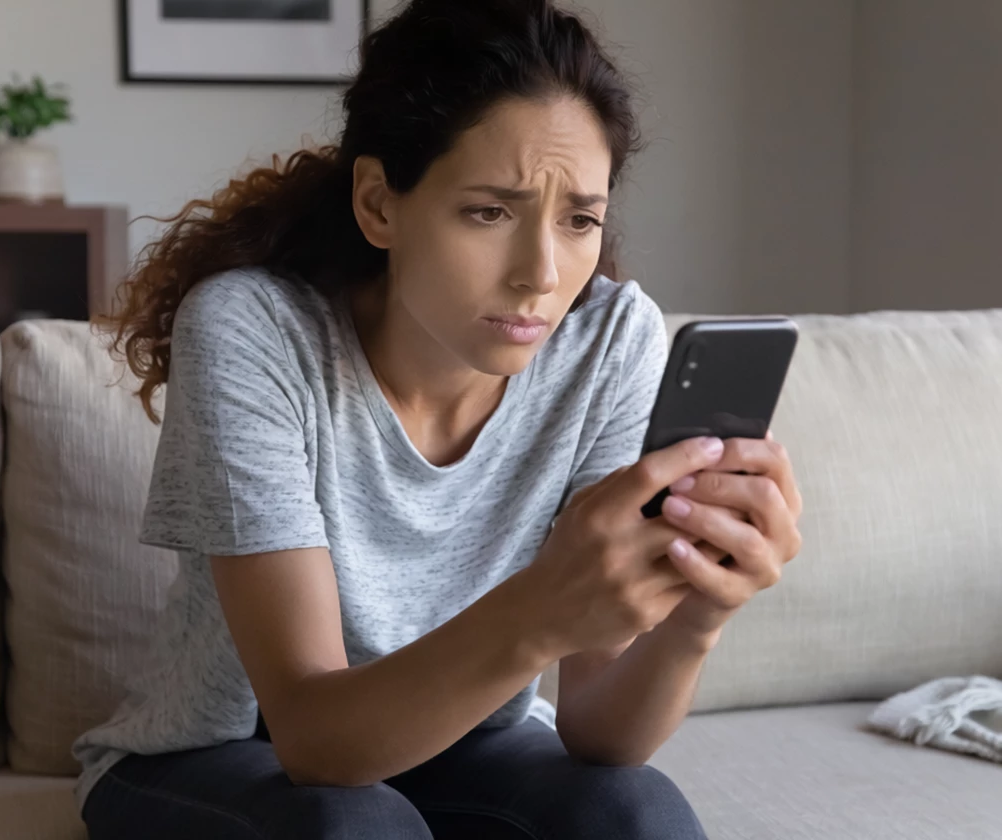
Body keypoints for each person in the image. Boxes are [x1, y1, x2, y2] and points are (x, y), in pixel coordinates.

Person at [73, 0, 804, 837]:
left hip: (464, 741)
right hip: (230, 753)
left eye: (580, 221)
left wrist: (697, 615)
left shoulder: (608, 343)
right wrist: (543, 607)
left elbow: (602, 734)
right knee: (357, 828)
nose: (540, 274)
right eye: (489, 212)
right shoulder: (254, 330)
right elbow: (313, 740)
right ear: (380, 204)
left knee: (635, 809)